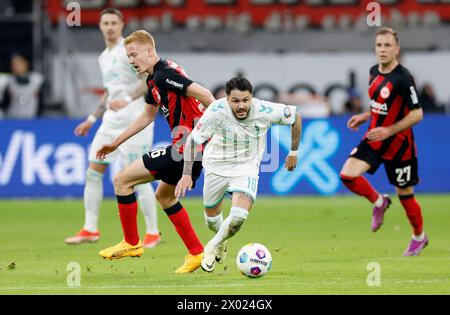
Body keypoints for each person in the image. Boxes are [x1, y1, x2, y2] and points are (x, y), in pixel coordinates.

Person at [96, 30, 215, 273]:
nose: (131, 60)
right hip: (187, 147)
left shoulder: (163, 74)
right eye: (128, 56)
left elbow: (204, 94)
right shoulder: (153, 80)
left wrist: (218, 127)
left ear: (149, 51)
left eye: (134, 54)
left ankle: (131, 242)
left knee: (121, 181)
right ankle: (196, 253)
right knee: (165, 197)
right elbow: (147, 116)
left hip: (187, 148)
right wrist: (116, 142)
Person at [175, 76, 302, 272]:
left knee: (237, 218)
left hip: (246, 168)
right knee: (211, 219)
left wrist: (293, 152)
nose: (241, 105)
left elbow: (295, 117)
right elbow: (193, 140)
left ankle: (210, 247)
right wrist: (186, 174)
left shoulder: (264, 110)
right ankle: (221, 242)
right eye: (235, 101)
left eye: (245, 100)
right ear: (227, 99)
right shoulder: (216, 111)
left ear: (252, 98)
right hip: (216, 167)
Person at [65, 8, 161, 249]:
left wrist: (127, 100)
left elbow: (146, 81)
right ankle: (90, 228)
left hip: (135, 118)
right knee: (93, 171)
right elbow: (110, 91)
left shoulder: (128, 51)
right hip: (111, 119)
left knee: (137, 177)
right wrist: (90, 118)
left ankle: (152, 233)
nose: (109, 27)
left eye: (113, 23)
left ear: (121, 25)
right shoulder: (103, 57)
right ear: (99, 26)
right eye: (105, 23)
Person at [339, 27, 427, 256]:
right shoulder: (372, 72)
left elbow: (417, 113)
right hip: (374, 138)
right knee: (347, 175)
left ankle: (419, 237)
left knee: (406, 195)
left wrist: (389, 130)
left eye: (387, 45)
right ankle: (379, 202)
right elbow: (380, 104)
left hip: (399, 145)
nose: (382, 49)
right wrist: (365, 116)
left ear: (396, 49)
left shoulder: (403, 78)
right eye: (379, 45)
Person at [3, 53, 44, 118]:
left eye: (19, 64)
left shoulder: (37, 80)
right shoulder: (9, 82)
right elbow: (5, 103)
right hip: (13, 121)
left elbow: (43, 103)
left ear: (26, 63)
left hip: (34, 120)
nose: (16, 67)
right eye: (13, 64)